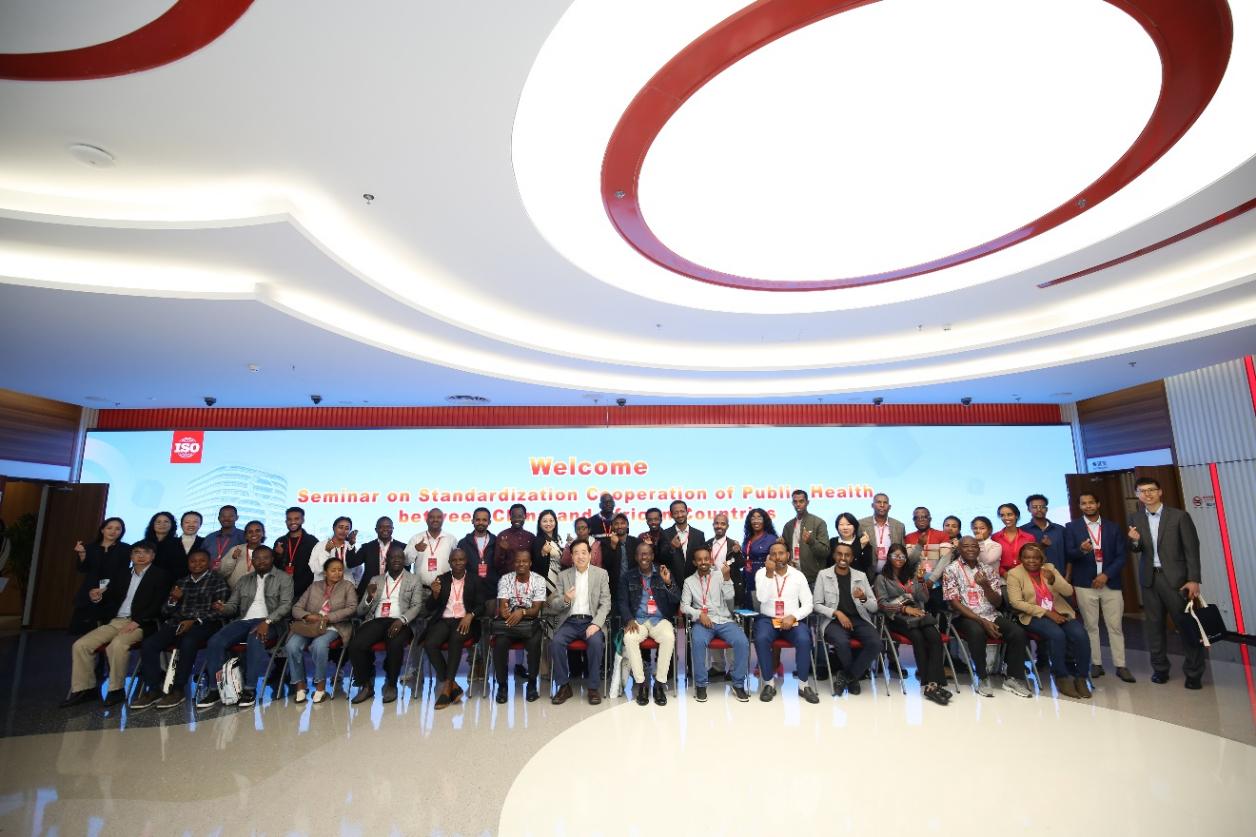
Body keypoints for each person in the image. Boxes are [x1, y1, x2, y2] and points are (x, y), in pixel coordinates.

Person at [61, 541, 168, 707]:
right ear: (131, 556)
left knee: (117, 645)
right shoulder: (123, 574)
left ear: (153, 556)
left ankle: (116, 690)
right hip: (116, 621)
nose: (141, 556)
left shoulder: (160, 575)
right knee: (81, 645)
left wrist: (137, 621)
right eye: (137, 552)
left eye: (146, 552)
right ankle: (85, 689)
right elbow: (109, 597)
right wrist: (97, 596)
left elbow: (159, 604)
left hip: (142, 623)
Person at [1127, 477, 1206, 689]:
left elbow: (1192, 549)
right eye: (1142, 491)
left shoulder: (1179, 516)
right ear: (1137, 495)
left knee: (1186, 626)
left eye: (1151, 490)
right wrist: (1134, 540)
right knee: (1154, 628)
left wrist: (1193, 579)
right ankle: (1160, 669)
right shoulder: (1135, 517)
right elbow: (1136, 549)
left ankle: (1194, 673)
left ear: (1160, 492)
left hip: (1176, 580)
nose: (1147, 494)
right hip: (1149, 579)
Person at [131, 548, 229, 710]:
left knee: (188, 642)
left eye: (202, 561)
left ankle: (178, 690)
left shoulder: (217, 581)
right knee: (149, 644)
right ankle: (154, 689)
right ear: (188, 563)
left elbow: (220, 611)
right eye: (193, 561)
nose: (197, 564)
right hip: (177, 623)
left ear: (209, 563)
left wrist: (194, 621)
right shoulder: (181, 582)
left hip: (205, 623)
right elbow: (165, 611)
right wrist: (173, 599)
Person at [198, 546, 292, 709]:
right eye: (257, 558)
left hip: (272, 622)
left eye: (265, 558)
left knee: (255, 638)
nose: (261, 561)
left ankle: (249, 689)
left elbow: (286, 605)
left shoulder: (284, 578)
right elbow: (233, 605)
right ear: (252, 561)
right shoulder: (244, 580)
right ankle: (215, 689)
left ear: (272, 559)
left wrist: (267, 621)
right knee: (215, 641)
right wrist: (223, 608)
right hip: (244, 621)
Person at [942, 536, 1032, 698]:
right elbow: (954, 603)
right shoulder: (951, 569)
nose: (970, 549)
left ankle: (1013, 678)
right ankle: (983, 678)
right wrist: (981, 621)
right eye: (966, 546)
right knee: (977, 632)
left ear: (979, 549)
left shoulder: (988, 570)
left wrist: (985, 585)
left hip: (990, 614)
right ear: (959, 549)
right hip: (965, 616)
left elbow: (997, 602)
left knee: (1017, 632)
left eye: (974, 546)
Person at [1064, 493, 1134, 682]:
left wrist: (1106, 575)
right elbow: (1069, 554)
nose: (1088, 506)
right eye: (1084, 503)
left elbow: (1121, 556)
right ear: (1079, 506)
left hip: (1110, 583)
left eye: (1091, 502)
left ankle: (1121, 665)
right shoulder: (1071, 527)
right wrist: (1081, 550)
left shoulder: (1113, 527)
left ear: (1098, 504)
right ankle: (1096, 664)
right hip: (1085, 584)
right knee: (1090, 626)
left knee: (1115, 626)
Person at [1006, 542, 1090, 698]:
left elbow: (1068, 591)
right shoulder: (1014, 574)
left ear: (1042, 559)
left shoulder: (1049, 569)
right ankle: (1061, 676)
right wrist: (1046, 613)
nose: (1031, 561)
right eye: (1027, 557)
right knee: (1057, 635)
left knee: (1081, 635)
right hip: (1033, 615)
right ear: (1021, 558)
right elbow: (1016, 603)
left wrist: (1053, 580)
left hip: (1059, 611)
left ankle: (1082, 678)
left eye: (1035, 558)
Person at [874, 544, 951, 705]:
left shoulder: (912, 575)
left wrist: (921, 581)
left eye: (902, 556)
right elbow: (882, 604)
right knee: (917, 637)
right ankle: (927, 683)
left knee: (934, 635)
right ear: (889, 557)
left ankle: (933, 683)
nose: (899, 559)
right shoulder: (882, 578)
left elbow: (924, 598)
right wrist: (903, 608)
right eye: (895, 556)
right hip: (897, 618)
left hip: (917, 615)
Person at [348, 544, 422, 704]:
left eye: (399, 557)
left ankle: (391, 684)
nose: (396, 560)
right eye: (392, 557)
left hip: (400, 622)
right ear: (386, 560)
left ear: (404, 560)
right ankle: (366, 685)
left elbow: (417, 605)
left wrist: (401, 620)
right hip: (376, 620)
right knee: (355, 645)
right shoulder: (376, 580)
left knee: (395, 644)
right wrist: (369, 597)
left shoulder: (413, 579)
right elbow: (360, 611)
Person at [284, 555, 358, 704]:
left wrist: (328, 617)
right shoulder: (314, 586)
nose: (337, 573)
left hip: (334, 625)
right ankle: (300, 685)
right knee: (291, 645)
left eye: (340, 570)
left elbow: (352, 608)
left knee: (319, 645)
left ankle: (320, 686)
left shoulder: (348, 586)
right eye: (333, 570)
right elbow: (296, 608)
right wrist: (307, 616)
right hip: (310, 625)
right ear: (325, 572)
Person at [753, 541, 820, 704]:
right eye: (773, 554)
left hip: (792, 619)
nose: (777, 557)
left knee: (804, 639)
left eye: (781, 553)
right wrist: (769, 574)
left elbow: (808, 604)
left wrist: (794, 616)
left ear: (788, 555)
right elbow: (761, 598)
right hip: (768, 619)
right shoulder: (761, 573)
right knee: (761, 639)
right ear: (769, 556)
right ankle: (769, 684)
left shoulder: (798, 575)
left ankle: (803, 685)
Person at [681, 546, 750, 702]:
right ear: (694, 562)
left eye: (706, 559)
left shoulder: (720, 575)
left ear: (710, 560)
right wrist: (699, 614)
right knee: (698, 641)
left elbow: (730, 596)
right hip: (703, 621)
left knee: (742, 642)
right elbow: (684, 606)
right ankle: (701, 684)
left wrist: (727, 578)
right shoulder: (689, 582)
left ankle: (738, 684)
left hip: (724, 620)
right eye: (699, 559)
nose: (703, 562)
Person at [548, 539, 612, 706]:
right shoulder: (563, 576)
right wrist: (566, 599)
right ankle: (564, 686)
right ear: (571, 557)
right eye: (576, 553)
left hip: (591, 621)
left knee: (596, 643)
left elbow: (606, 603)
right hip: (570, 621)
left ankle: (593, 687)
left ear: (590, 555)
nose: (580, 556)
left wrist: (596, 624)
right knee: (556, 643)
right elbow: (554, 605)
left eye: (584, 552)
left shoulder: (601, 574)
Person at [814, 541, 879, 697]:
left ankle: (848, 676)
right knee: (842, 642)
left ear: (852, 558)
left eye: (847, 555)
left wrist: (863, 598)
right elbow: (816, 605)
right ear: (834, 555)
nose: (843, 558)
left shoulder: (860, 576)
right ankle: (853, 680)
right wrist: (837, 613)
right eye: (839, 554)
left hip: (859, 619)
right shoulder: (824, 574)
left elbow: (874, 607)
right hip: (833, 621)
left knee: (876, 643)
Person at [618, 542, 679, 706]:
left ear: (652, 556)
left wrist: (668, 583)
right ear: (636, 557)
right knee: (629, 638)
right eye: (640, 553)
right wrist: (629, 619)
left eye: (647, 554)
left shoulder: (663, 573)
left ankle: (659, 684)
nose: (644, 557)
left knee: (668, 637)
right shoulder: (628, 576)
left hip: (659, 620)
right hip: (638, 621)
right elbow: (622, 602)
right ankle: (642, 684)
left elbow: (676, 600)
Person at [422, 548, 484, 709]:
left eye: (461, 559)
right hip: (444, 620)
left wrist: (470, 615)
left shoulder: (475, 580)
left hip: (465, 621)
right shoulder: (441, 579)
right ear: (449, 563)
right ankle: (451, 684)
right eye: (454, 560)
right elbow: (429, 607)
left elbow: (481, 605)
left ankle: (446, 690)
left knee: (455, 639)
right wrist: (435, 595)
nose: (458, 563)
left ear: (466, 561)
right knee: (429, 643)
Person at [491, 549, 546, 704]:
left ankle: (532, 683)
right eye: (518, 561)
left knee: (534, 644)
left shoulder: (539, 580)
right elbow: (503, 605)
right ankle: (502, 685)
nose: (521, 564)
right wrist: (506, 612)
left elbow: (536, 610)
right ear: (514, 563)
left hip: (530, 622)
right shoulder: (505, 579)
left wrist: (522, 612)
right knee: (500, 644)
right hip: (509, 622)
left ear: (530, 563)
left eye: (524, 561)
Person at [71, 517, 130, 634]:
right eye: (109, 528)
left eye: (118, 529)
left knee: (107, 632)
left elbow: (123, 573)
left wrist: (105, 589)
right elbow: (82, 569)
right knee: (84, 631)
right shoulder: (90, 547)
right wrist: (82, 554)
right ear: (102, 530)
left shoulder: (126, 549)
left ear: (122, 532)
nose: (113, 531)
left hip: (113, 592)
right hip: (90, 590)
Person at [781, 489, 830, 587]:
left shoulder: (818, 522)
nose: (798, 504)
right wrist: (780, 544)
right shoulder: (788, 525)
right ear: (792, 503)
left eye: (801, 501)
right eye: (795, 502)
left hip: (813, 579)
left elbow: (825, 552)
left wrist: (811, 541)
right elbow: (786, 551)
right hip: (793, 577)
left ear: (807, 502)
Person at [349, 515, 399, 602]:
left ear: (393, 529)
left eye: (388, 527)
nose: (385, 529)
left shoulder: (402, 547)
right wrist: (351, 544)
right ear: (376, 529)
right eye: (381, 527)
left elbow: (405, 570)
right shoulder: (367, 547)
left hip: (393, 592)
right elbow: (351, 563)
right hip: (368, 591)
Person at [272, 506, 318, 601]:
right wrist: (278, 555)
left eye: (296, 519)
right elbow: (274, 566)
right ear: (286, 522)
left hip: (305, 591)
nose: (293, 522)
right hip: (282, 590)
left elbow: (317, 566)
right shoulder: (280, 541)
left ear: (302, 520)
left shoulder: (312, 541)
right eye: (289, 519)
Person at [405, 507, 455, 593]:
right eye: (432, 517)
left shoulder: (451, 539)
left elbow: (457, 562)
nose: (435, 520)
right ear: (426, 520)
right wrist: (415, 549)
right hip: (420, 589)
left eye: (439, 517)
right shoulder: (416, 538)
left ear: (443, 520)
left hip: (444, 589)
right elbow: (406, 562)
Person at [456, 507, 498, 605]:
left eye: (484, 520)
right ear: (472, 521)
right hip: (470, 592)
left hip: (491, 591)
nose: (481, 522)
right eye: (477, 519)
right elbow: (459, 567)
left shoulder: (497, 541)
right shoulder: (463, 543)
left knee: (490, 615)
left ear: (489, 522)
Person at [858, 493, 906, 577]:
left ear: (889, 507)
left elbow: (903, 551)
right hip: (868, 574)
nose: (882, 505)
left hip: (892, 575)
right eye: (878, 502)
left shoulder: (899, 526)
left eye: (885, 502)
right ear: (872, 505)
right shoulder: (861, 524)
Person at [660, 499, 706, 580]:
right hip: (674, 581)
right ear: (671, 515)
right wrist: (671, 547)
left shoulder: (699, 535)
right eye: (676, 512)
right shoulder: (665, 534)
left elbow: (703, 558)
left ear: (687, 512)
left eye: (682, 511)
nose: (680, 515)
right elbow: (661, 559)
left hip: (695, 580)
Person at [1022, 494, 1067, 572]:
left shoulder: (1060, 529)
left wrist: (1068, 576)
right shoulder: (1023, 530)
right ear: (1029, 509)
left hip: (1060, 575)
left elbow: (1069, 556)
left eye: (1042, 507)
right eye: (1035, 507)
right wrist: (1042, 546)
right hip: (1032, 577)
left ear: (1046, 509)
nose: (1039, 509)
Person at [740, 508, 778, 602]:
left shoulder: (772, 539)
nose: (756, 521)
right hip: (748, 577)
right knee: (750, 605)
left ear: (764, 520)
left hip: (764, 576)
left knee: (763, 604)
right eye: (753, 518)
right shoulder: (748, 539)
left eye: (759, 518)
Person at [603, 513, 638, 610]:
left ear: (627, 525)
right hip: (615, 587)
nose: (619, 526)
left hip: (634, 585)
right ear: (612, 526)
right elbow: (607, 564)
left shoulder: (635, 542)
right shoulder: (606, 542)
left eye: (622, 523)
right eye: (616, 523)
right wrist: (613, 546)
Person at [309, 517, 358, 586]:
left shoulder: (351, 547)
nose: (343, 531)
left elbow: (358, 571)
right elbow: (316, 569)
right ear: (333, 528)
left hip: (346, 589)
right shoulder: (321, 545)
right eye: (340, 527)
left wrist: (355, 586)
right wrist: (326, 552)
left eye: (347, 528)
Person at [219, 520, 266, 590]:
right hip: (234, 592)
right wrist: (233, 559)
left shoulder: (268, 552)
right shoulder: (236, 549)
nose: (254, 534)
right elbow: (222, 573)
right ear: (246, 536)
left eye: (257, 531)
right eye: (250, 532)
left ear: (263, 533)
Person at [493, 503, 535, 583]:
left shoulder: (531, 537)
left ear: (525, 517)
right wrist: (502, 551)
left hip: (528, 582)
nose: (517, 519)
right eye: (514, 516)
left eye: (520, 516)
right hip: (508, 581)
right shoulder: (502, 536)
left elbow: (535, 562)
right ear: (510, 517)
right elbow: (496, 564)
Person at [993, 503, 1036, 576]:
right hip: (1003, 578)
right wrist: (1004, 573)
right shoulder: (995, 537)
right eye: (1002, 515)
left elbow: (1033, 559)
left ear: (1016, 516)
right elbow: (994, 561)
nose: (1006, 518)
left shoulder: (1029, 538)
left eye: (1009, 514)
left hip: (1025, 576)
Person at [201, 505, 245, 572]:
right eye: (223, 516)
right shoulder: (209, 538)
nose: (226, 519)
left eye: (230, 516)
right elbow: (201, 557)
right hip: (210, 576)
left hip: (235, 576)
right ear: (218, 518)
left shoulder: (244, 536)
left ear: (237, 517)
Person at [145, 511, 185, 581]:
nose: (162, 525)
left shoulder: (179, 543)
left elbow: (180, 567)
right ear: (152, 525)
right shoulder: (144, 543)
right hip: (146, 580)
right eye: (158, 522)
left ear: (172, 524)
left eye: (166, 522)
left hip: (168, 581)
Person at [833, 512, 874, 577]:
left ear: (854, 526)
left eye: (848, 524)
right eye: (841, 524)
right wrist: (858, 548)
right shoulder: (832, 542)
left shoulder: (863, 541)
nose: (845, 527)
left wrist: (862, 546)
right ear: (837, 527)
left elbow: (867, 564)